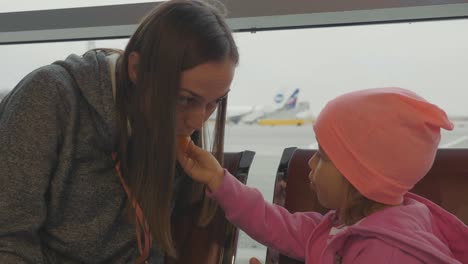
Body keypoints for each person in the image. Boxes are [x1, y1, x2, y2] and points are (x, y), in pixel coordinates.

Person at [0, 0, 238, 263]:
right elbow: (8, 239)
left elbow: (153, 248)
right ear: (136, 69)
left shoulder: (173, 123)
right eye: (184, 98)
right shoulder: (49, 97)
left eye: (215, 101)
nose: (198, 121)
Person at [178, 87, 468, 263]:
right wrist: (219, 179)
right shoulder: (346, 225)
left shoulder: (390, 253)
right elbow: (277, 225)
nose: (310, 163)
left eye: (323, 156)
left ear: (360, 176)